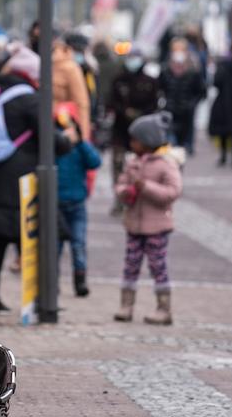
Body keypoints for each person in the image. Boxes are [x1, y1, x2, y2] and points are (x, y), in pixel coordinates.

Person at [0, 45, 74, 314]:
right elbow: (50, 140)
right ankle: (38, 299)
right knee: (31, 237)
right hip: (22, 180)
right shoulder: (30, 99)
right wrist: (68, 140)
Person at [113, 112, 183, 325]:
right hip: (134, 225)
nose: (131, 143)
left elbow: (173, 192)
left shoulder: (166, 164)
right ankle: (126, 305)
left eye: (135, 139)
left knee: (157, 266)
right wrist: (125, 191)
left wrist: (146, 187)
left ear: (147, 141)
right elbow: (120, 185)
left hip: (157, 227)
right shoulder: (132, 163)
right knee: (130, 265)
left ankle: (164, 308)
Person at [55, 101, 102, 297]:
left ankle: (80, 280)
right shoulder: (54, 148)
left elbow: (95, 162)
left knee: (78, 244)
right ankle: (52, 282)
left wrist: (81, 142)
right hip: (56, 205)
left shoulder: (81, 147)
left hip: (77, 205)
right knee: (54, 247)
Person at [110, 53, 161, 214]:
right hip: (120, 130)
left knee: (144, 167)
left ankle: (141, 199)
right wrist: (124, 111)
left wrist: (140, 114)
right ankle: (120, 200)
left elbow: (154, 104)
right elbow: (111, 101)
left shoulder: (149, 81)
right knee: (118, 165)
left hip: (143, 135)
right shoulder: (119, 80)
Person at [159, 38, 206, 155]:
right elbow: (160, 88)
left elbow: (201, 91)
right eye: (176, 49)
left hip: (187, 111)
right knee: (171, 143)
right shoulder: (165, 69)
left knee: (184, 141)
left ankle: (187, 146)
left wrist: (192, 104)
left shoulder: (193, 70)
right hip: (170, 109)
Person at [53, 39, 92, 140]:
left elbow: (81, 102)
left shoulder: (71, 68)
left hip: (62, 126)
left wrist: (83, 136)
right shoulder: (35, 61)